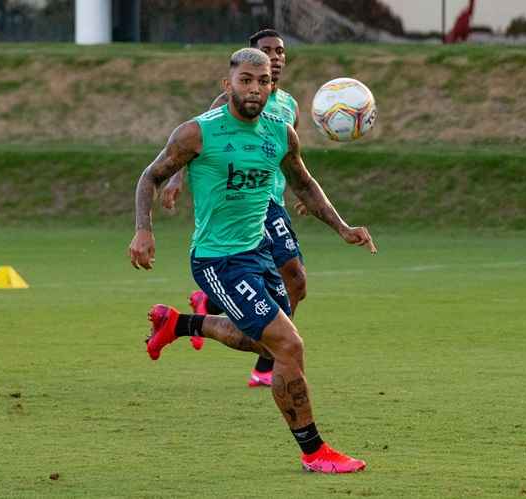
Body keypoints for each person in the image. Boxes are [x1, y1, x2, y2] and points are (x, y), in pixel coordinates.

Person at [129, 47, 376, 473]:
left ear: (271, 86)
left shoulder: (280, 133)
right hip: (218, 260)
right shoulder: (197, 133)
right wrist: (143, 230)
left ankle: (180, 324)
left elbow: (304, 184)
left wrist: (342, 227)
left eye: (263, 82)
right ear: (228, 86)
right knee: (289, 345)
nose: (255, 89)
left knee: (261, 342)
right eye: (246, 80)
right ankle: (315, 452)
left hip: (258, 253)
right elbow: (150, 175)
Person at [161, 29, 307, 388]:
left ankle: (209, 306)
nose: (274, 57)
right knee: (294, 278)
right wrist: (177, 179)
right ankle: (267, 361)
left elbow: (292, 162)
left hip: (271, 202)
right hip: (248, 211)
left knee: (294, 286)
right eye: (266, 51)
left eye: (279, 51)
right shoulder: (226, 104)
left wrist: (303, 193)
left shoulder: (287, 107)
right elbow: (196, 144)